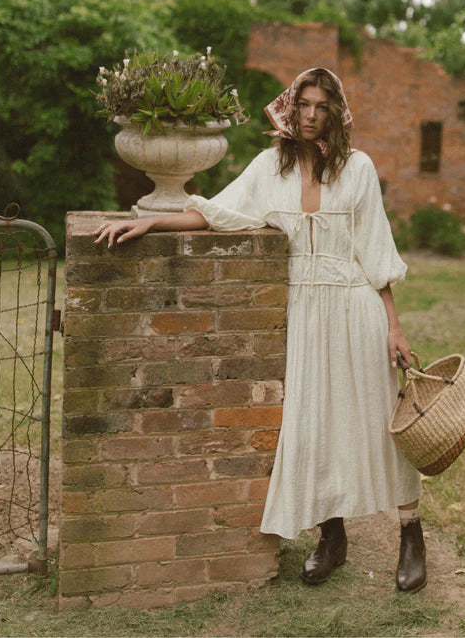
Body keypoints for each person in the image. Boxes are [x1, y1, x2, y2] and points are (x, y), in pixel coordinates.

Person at [94, 68, 426, 593]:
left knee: (380, 421)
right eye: (304, 105)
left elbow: (376, 251)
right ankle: (332, 537)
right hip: (306, 313)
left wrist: (394, 327)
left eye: (322, 107)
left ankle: (411, 534)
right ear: (290, 108)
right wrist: (151, 221)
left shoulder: (358, 168)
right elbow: (217, 215)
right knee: (313, 426)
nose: (311, 115)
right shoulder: (270, 166)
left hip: (355, 306)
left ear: (336, 113)